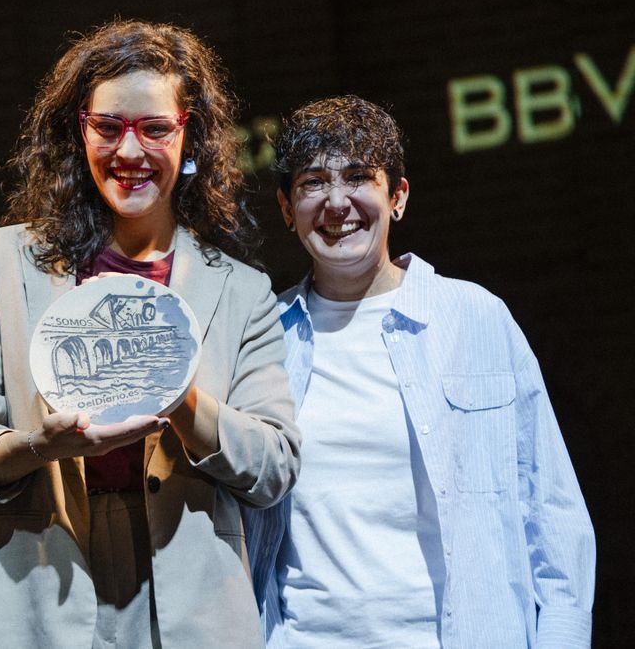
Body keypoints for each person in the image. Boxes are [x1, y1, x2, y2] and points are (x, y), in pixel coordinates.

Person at [0, 20, 298, 649]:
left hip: (190, 602)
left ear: (191, 136)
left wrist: (180, 396)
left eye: (155, 129)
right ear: (80, 131)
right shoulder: (0, 261)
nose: (130, 152)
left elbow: (272, 468)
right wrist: (38, 446)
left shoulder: (239, 289)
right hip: (37, 591)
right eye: (109, 128)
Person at [245, 94, 595, 647]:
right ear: (287, 208)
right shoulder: (264, 335)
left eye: (359, 177)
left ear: (398, 196)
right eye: (313, 183)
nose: (337, 203)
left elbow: (552, 514)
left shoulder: (474, 317)